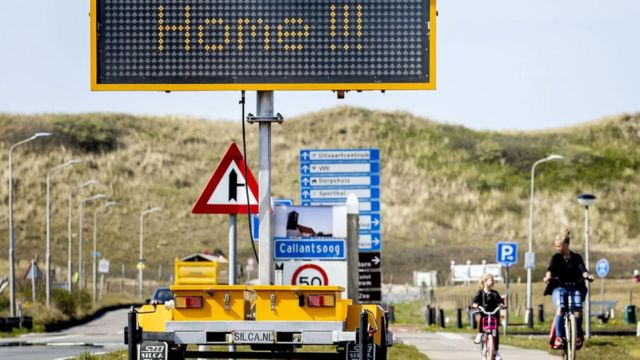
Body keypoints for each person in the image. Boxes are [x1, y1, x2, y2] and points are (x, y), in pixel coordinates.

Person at [543, 229, 593, 350]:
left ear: (566, 245)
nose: (557, 248)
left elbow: (583, 269)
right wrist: (548, 276)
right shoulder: (556, 257)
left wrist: (587, 276)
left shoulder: (576, 257)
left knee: (577, 309)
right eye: (556, 246)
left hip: (575, 287)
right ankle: (559, 337)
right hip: (559, 287)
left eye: (559, 246)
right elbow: (551, 267)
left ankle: (577, 336)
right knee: (560, 308)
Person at [471, 273, 505, 360]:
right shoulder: (480, 293)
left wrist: (501, 304)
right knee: (481, 321)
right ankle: (480, 334)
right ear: (485, 282)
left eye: (493, 280)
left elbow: (500, 301)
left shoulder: (495, 293)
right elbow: (475, 301)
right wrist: (475, 305)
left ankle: (496, 351)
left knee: (495, 333)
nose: (493, 281)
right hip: (484, 313)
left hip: (493, 314)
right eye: (491, 280)